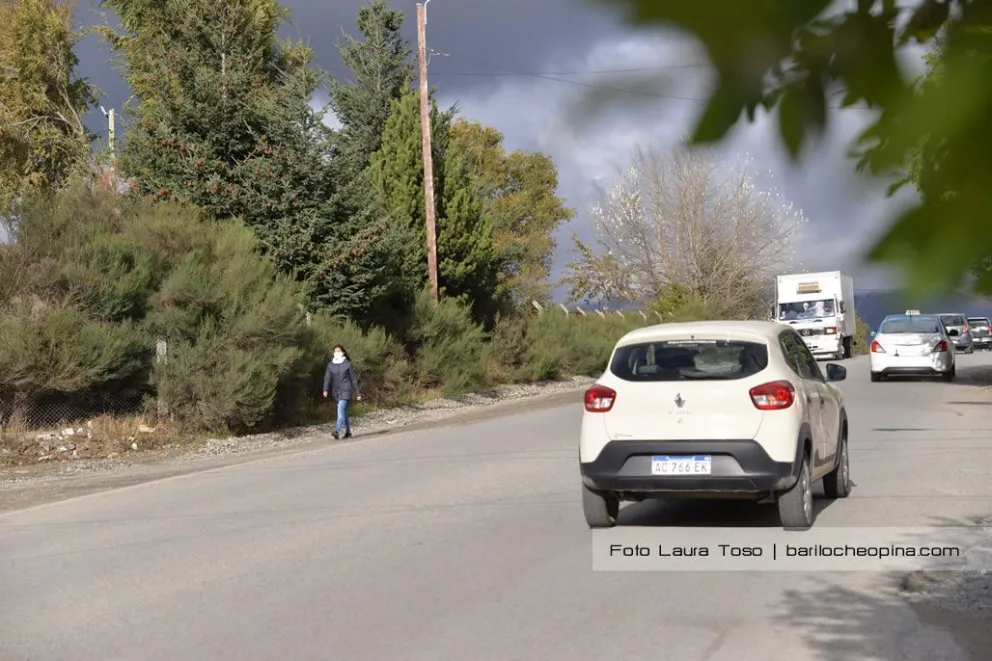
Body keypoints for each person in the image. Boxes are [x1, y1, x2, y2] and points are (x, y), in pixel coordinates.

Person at [322, 345, 361, 440]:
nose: (337, 352)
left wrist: (358, 393)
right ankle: (348, 432)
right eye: (335, 351)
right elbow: (327, 378)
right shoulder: (330, 365)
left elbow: (353, 379)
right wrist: (325, 389)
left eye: (339, 351)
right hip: (336, 392)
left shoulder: (348, 364)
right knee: (344, 412)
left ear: (343, 352)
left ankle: (337, 431)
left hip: (346, 390)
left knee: (340, 410)